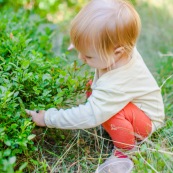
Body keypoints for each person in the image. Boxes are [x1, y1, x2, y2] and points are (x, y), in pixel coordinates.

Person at [26, 0, 165, 172]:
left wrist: (47, 118)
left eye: (88, 56)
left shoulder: (117, 84)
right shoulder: (120, 49)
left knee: (110, 112)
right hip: (134, 109)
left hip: (146, 123)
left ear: (117, 51)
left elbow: (89, 115)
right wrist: (85, 45)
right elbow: (104, 37)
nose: (80, 58)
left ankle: (126, 150)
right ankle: (118, 128)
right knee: (93, 90)